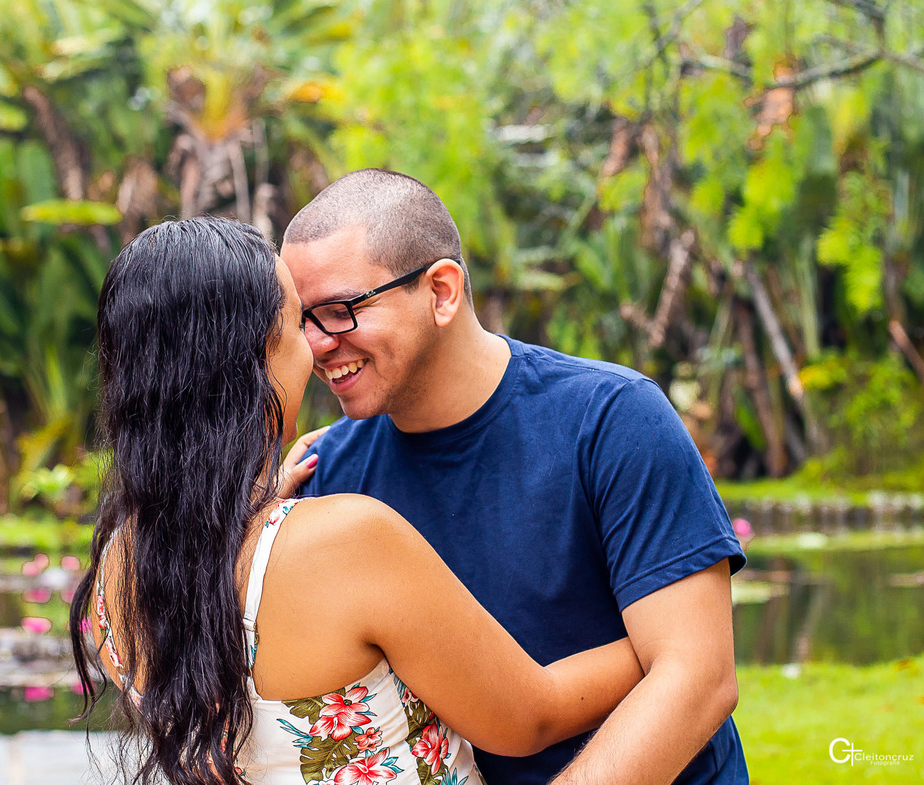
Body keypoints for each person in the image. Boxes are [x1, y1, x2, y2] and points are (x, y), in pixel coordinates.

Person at [70, 216, 645, 785]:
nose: (318, 345)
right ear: (252, 361)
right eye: (298, 321)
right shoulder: (347, 542)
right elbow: (528, 717)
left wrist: (252, 506)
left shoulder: (114, 573)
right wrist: (667, 649)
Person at [281, 169, 748, 785]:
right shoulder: (328, 472)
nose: (317, 345)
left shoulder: (610, 419)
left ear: (441, 292)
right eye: (302, 320)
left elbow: (698, 679)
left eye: (340, 312)